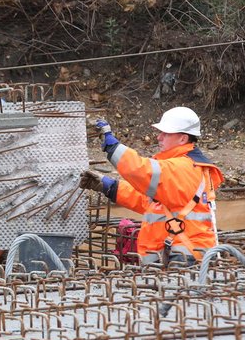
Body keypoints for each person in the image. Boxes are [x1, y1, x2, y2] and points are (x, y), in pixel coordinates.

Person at [79, 107, 224, 266]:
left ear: (183, 139)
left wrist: (113, 148)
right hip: (179, 253)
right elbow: (151, 204)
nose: (159, 137)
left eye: (166, 134)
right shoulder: (185, 167)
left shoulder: (183, 168)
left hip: (185, 257)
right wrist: (110, 187)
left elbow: (141, 170)